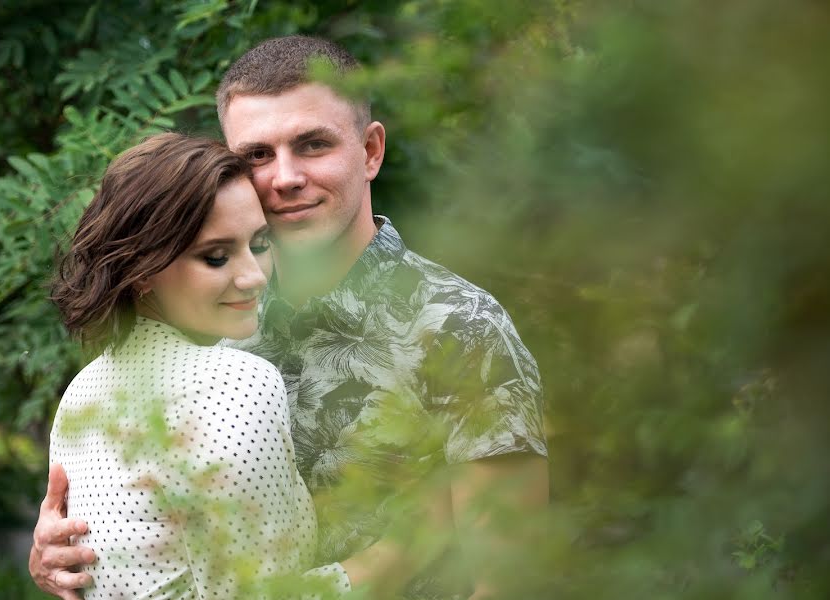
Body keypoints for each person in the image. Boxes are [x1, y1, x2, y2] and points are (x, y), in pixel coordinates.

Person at [31, 36, 548, 600]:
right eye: (256, 155)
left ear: (371, 151)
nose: (284, 177)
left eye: (312, 145)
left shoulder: (461, 328)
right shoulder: (206, 322)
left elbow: (507, 579)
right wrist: (72, 556)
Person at [46, 132, 350, 599]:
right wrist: (400, 554)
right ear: (142, 268)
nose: (253, 276)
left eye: (260, 242)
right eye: (215, 256)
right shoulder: (236, 382)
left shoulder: (81, 395)